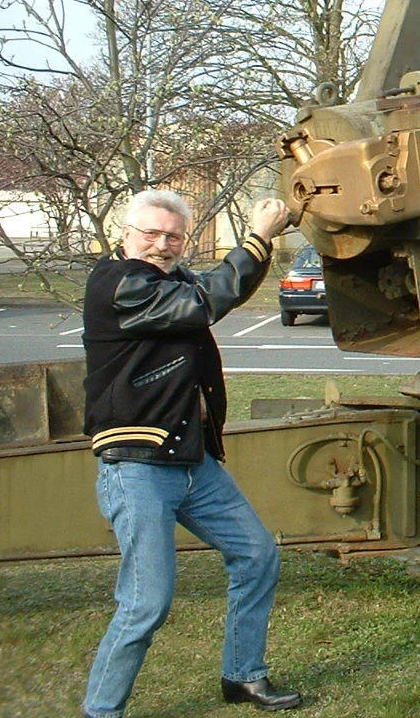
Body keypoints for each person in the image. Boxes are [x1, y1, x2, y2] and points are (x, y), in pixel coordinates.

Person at [81, 189, 301, 717]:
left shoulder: (168, 281)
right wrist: (259, 235)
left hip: (191, 462)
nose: (161, 244)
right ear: (124, 234)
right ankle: (101, 710)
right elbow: (204, 304)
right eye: (150, 233)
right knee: (145, 604)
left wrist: (260, 246)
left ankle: (243, 676)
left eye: (173, 236)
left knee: (256, 555)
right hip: (137, 465)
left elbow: (216, 292)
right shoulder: (117, 283)